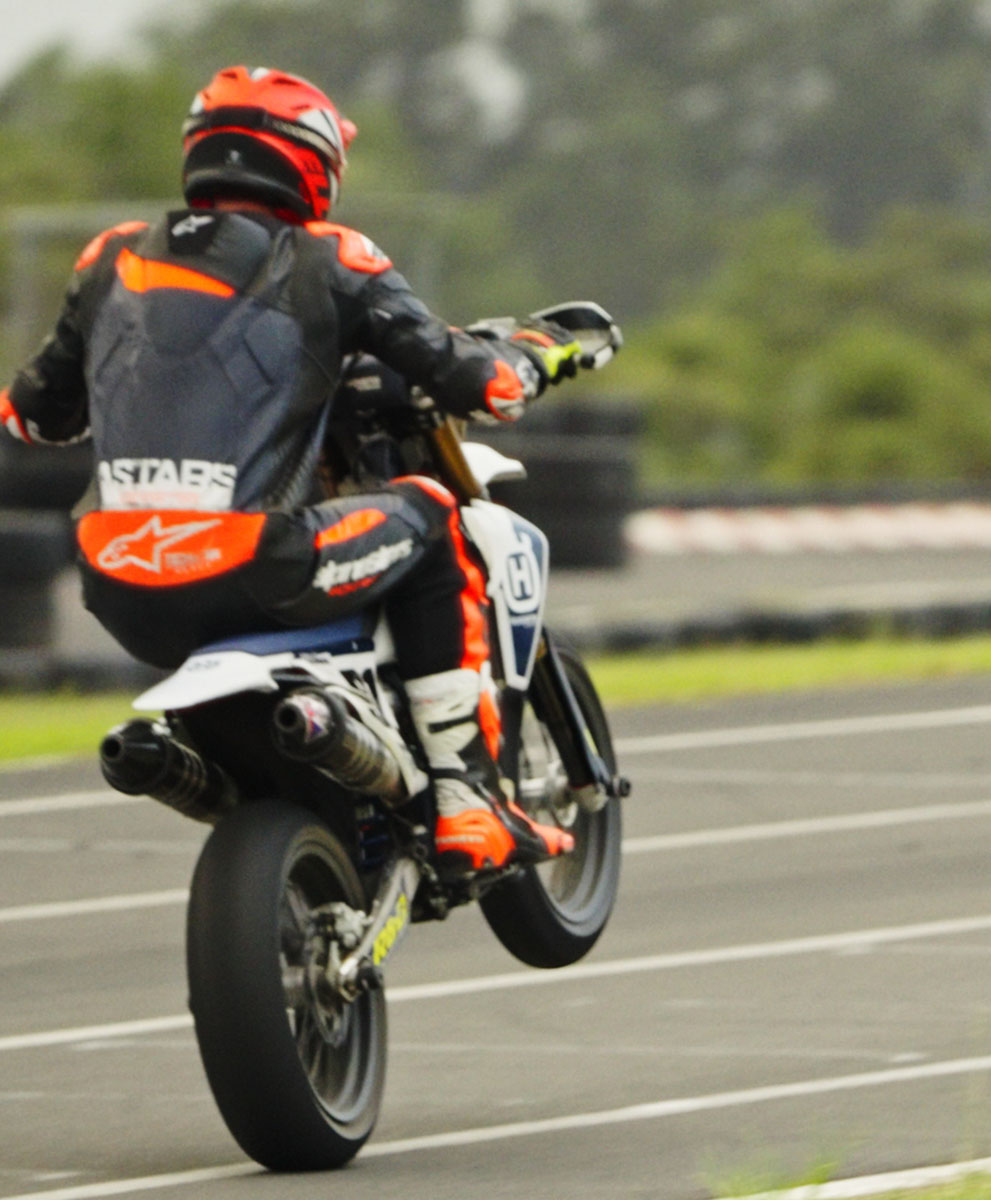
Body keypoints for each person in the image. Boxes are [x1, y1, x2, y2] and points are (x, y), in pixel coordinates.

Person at [0, 65, 584, 874]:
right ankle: (465, 800)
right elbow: (479, 385)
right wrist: (532, 353)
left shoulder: (110, 258)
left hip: (116, 580)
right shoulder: (331, 256)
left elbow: (33, 416)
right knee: (431, 513)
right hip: (254, 559)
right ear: (312, 162)